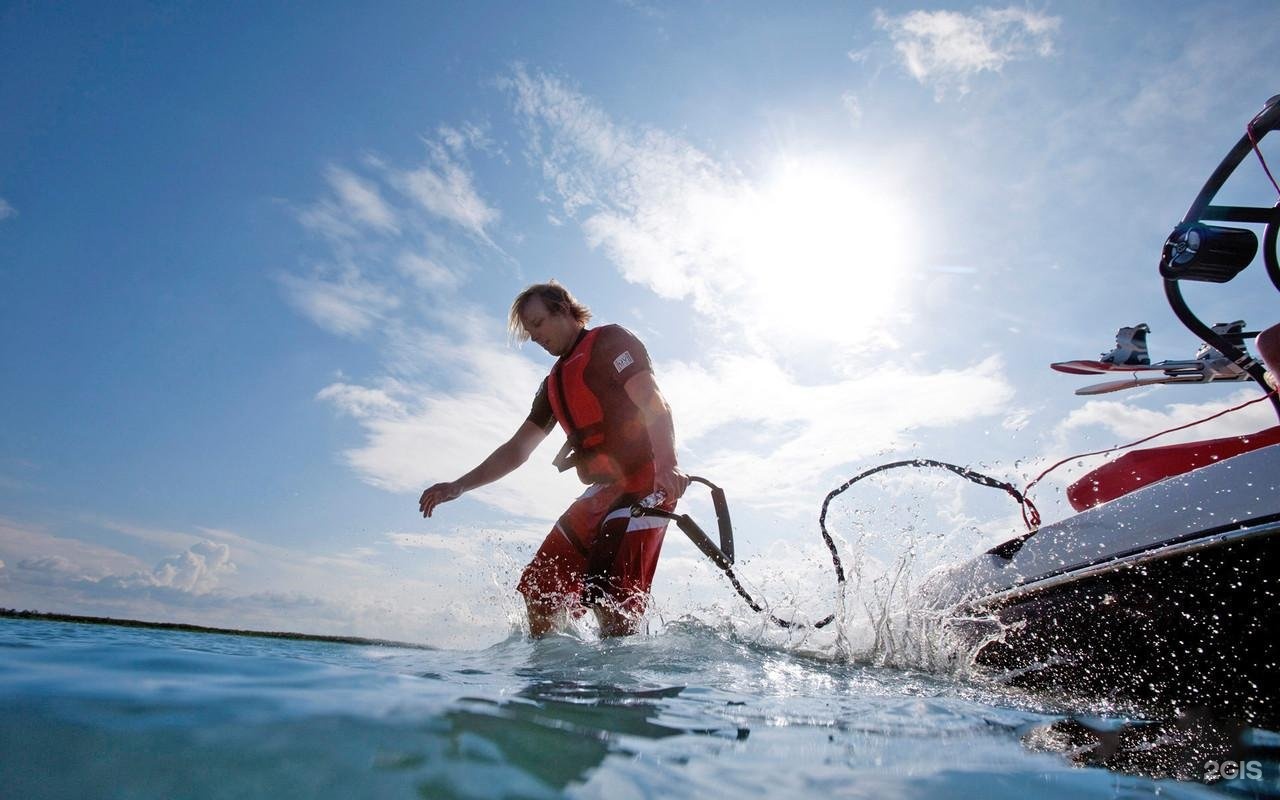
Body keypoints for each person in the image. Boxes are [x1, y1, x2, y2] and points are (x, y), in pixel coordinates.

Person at [418, 281, 689, 637]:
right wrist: (459, 486)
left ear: (563, 308)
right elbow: (517, 449)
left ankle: (619, 682)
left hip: (647, 481)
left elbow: (652, 401)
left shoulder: (611, 342)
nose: (534, 336)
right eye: (529, 330)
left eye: (538, 322)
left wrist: (669, 465)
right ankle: (552, 680)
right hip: (604, 490)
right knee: (540, 590)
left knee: (610, 596)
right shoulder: (553, 385)